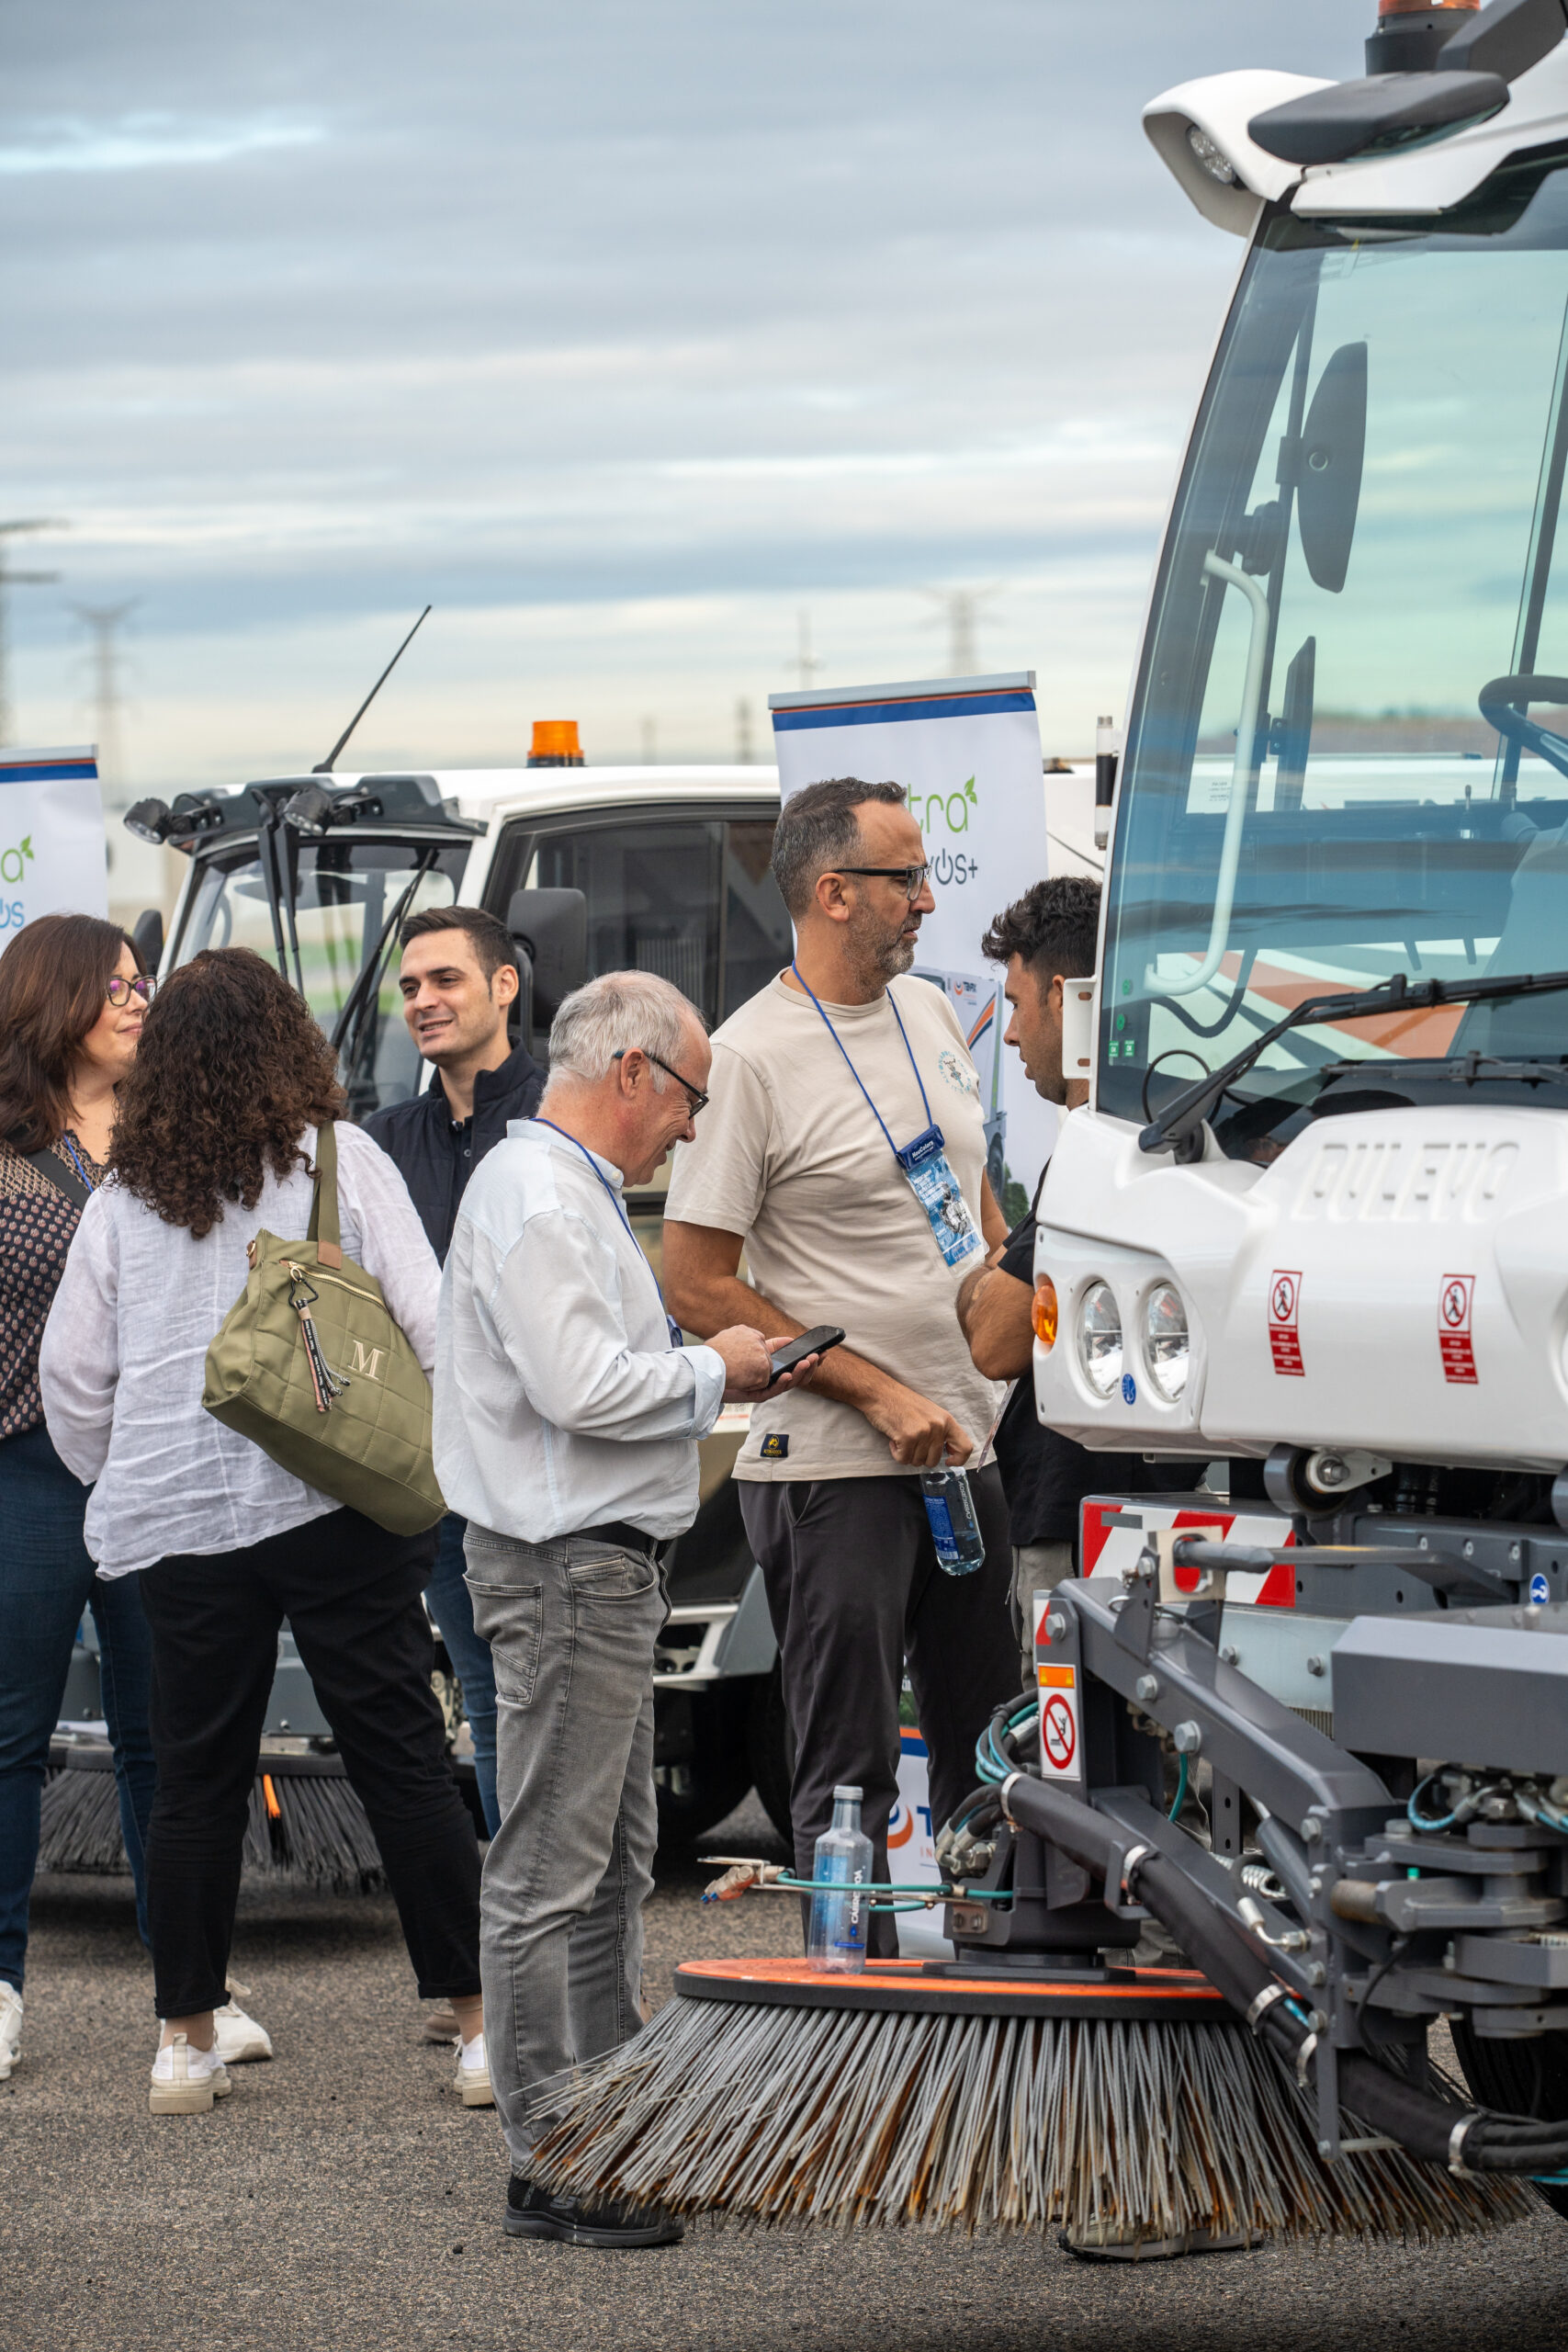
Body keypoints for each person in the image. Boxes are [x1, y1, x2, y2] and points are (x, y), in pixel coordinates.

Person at [40, 947, 487, 2116]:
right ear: (290, 1042)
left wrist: (126, 1476)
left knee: (192, 1772)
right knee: (398, 1748)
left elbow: (73, 1376)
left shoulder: (126, 1200)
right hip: (336, 1496)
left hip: (177, 1522)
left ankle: (184, 2040)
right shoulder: (340, 1160)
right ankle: (482, 2022)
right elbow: (431, 1324)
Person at [434, 969, 813, 2249]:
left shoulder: (549, 1186)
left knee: (596, 1863)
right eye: (690, 1098)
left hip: (587, 1560)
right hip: (564, 1562)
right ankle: (559, 2149)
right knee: (556, 1865)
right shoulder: (541, 1195)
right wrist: (725, 1364)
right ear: (636, 1072)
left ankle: (603, 2127)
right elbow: (582, 1385)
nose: (692, 1127)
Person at [662, 775, 1020, 1958]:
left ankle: (995, 1990)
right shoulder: (748, 1058)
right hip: (836, 1466)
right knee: (848, 1767)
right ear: (831, 892)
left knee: (991, 1744)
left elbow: (961, 1195)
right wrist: (874, 1389)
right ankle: (847, 2014)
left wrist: (996, 1304)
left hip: (964, 1444)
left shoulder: (924, 1015)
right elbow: (696, 1281)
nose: (928, 899)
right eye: (905, 878)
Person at [958, 877, 1197, 1679]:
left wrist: (987, 1275)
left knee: (1070, 1771)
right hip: (1166, 1504)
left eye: (1018, 1002)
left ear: (1066, 996)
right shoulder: (1196, 1124)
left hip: (1077, 1517)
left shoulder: (1100, 1154)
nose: (1014, 1032)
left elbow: (993, 1339)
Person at [0, 913, 159, 2084]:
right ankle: (0, 1985)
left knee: (172, 1736)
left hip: (156, 1468)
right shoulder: (5, 1149)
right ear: (50, 1000)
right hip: (28, 1463)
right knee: (11, 1735)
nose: (134, 997)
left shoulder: (174, 1134)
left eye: (139, 980)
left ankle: (189, 1986)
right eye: (111, 982)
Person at [365, 904, 546, 1850]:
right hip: (438, 1471)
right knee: (481, 1686)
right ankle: (512, 1929)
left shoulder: (561, 1112)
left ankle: (562, 1939)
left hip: (550, 1459)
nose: (424, 1002)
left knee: (561, 1696)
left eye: (445, 981)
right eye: (409, 988)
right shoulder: (388, 1139)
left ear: (503, 985)